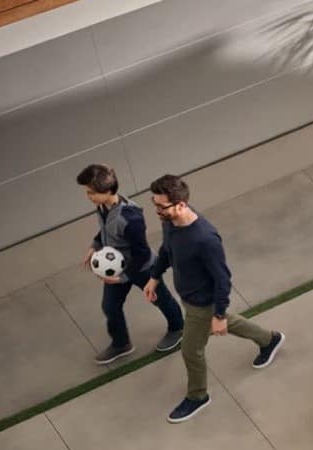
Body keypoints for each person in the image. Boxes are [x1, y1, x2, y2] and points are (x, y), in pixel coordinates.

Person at [143, 175, 285, 423]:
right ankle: (269, 340)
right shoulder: (171, 222)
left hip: (202, 302)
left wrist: (218, 315)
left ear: (181, 204)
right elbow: (167, 249)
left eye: (161, 206)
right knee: (227, 322)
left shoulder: (205, 239)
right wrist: (154, 277)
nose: (157, 211)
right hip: (188, 296)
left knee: (190, 350)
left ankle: (198, 396)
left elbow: (223, 280)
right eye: (154, 204)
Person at [76, 164, 185, 364]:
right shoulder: (103, 207)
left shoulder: (130, 217)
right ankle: (121, 344)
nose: (88, 196)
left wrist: (123, 277)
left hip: (141, 268)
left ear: (108, 191)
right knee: (110, 307)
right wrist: (95, 245)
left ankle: (178, 328)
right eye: (87, 192)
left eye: (91, 192)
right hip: (117, 267)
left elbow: (141, 253)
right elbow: (106, 230)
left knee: (161, 299)